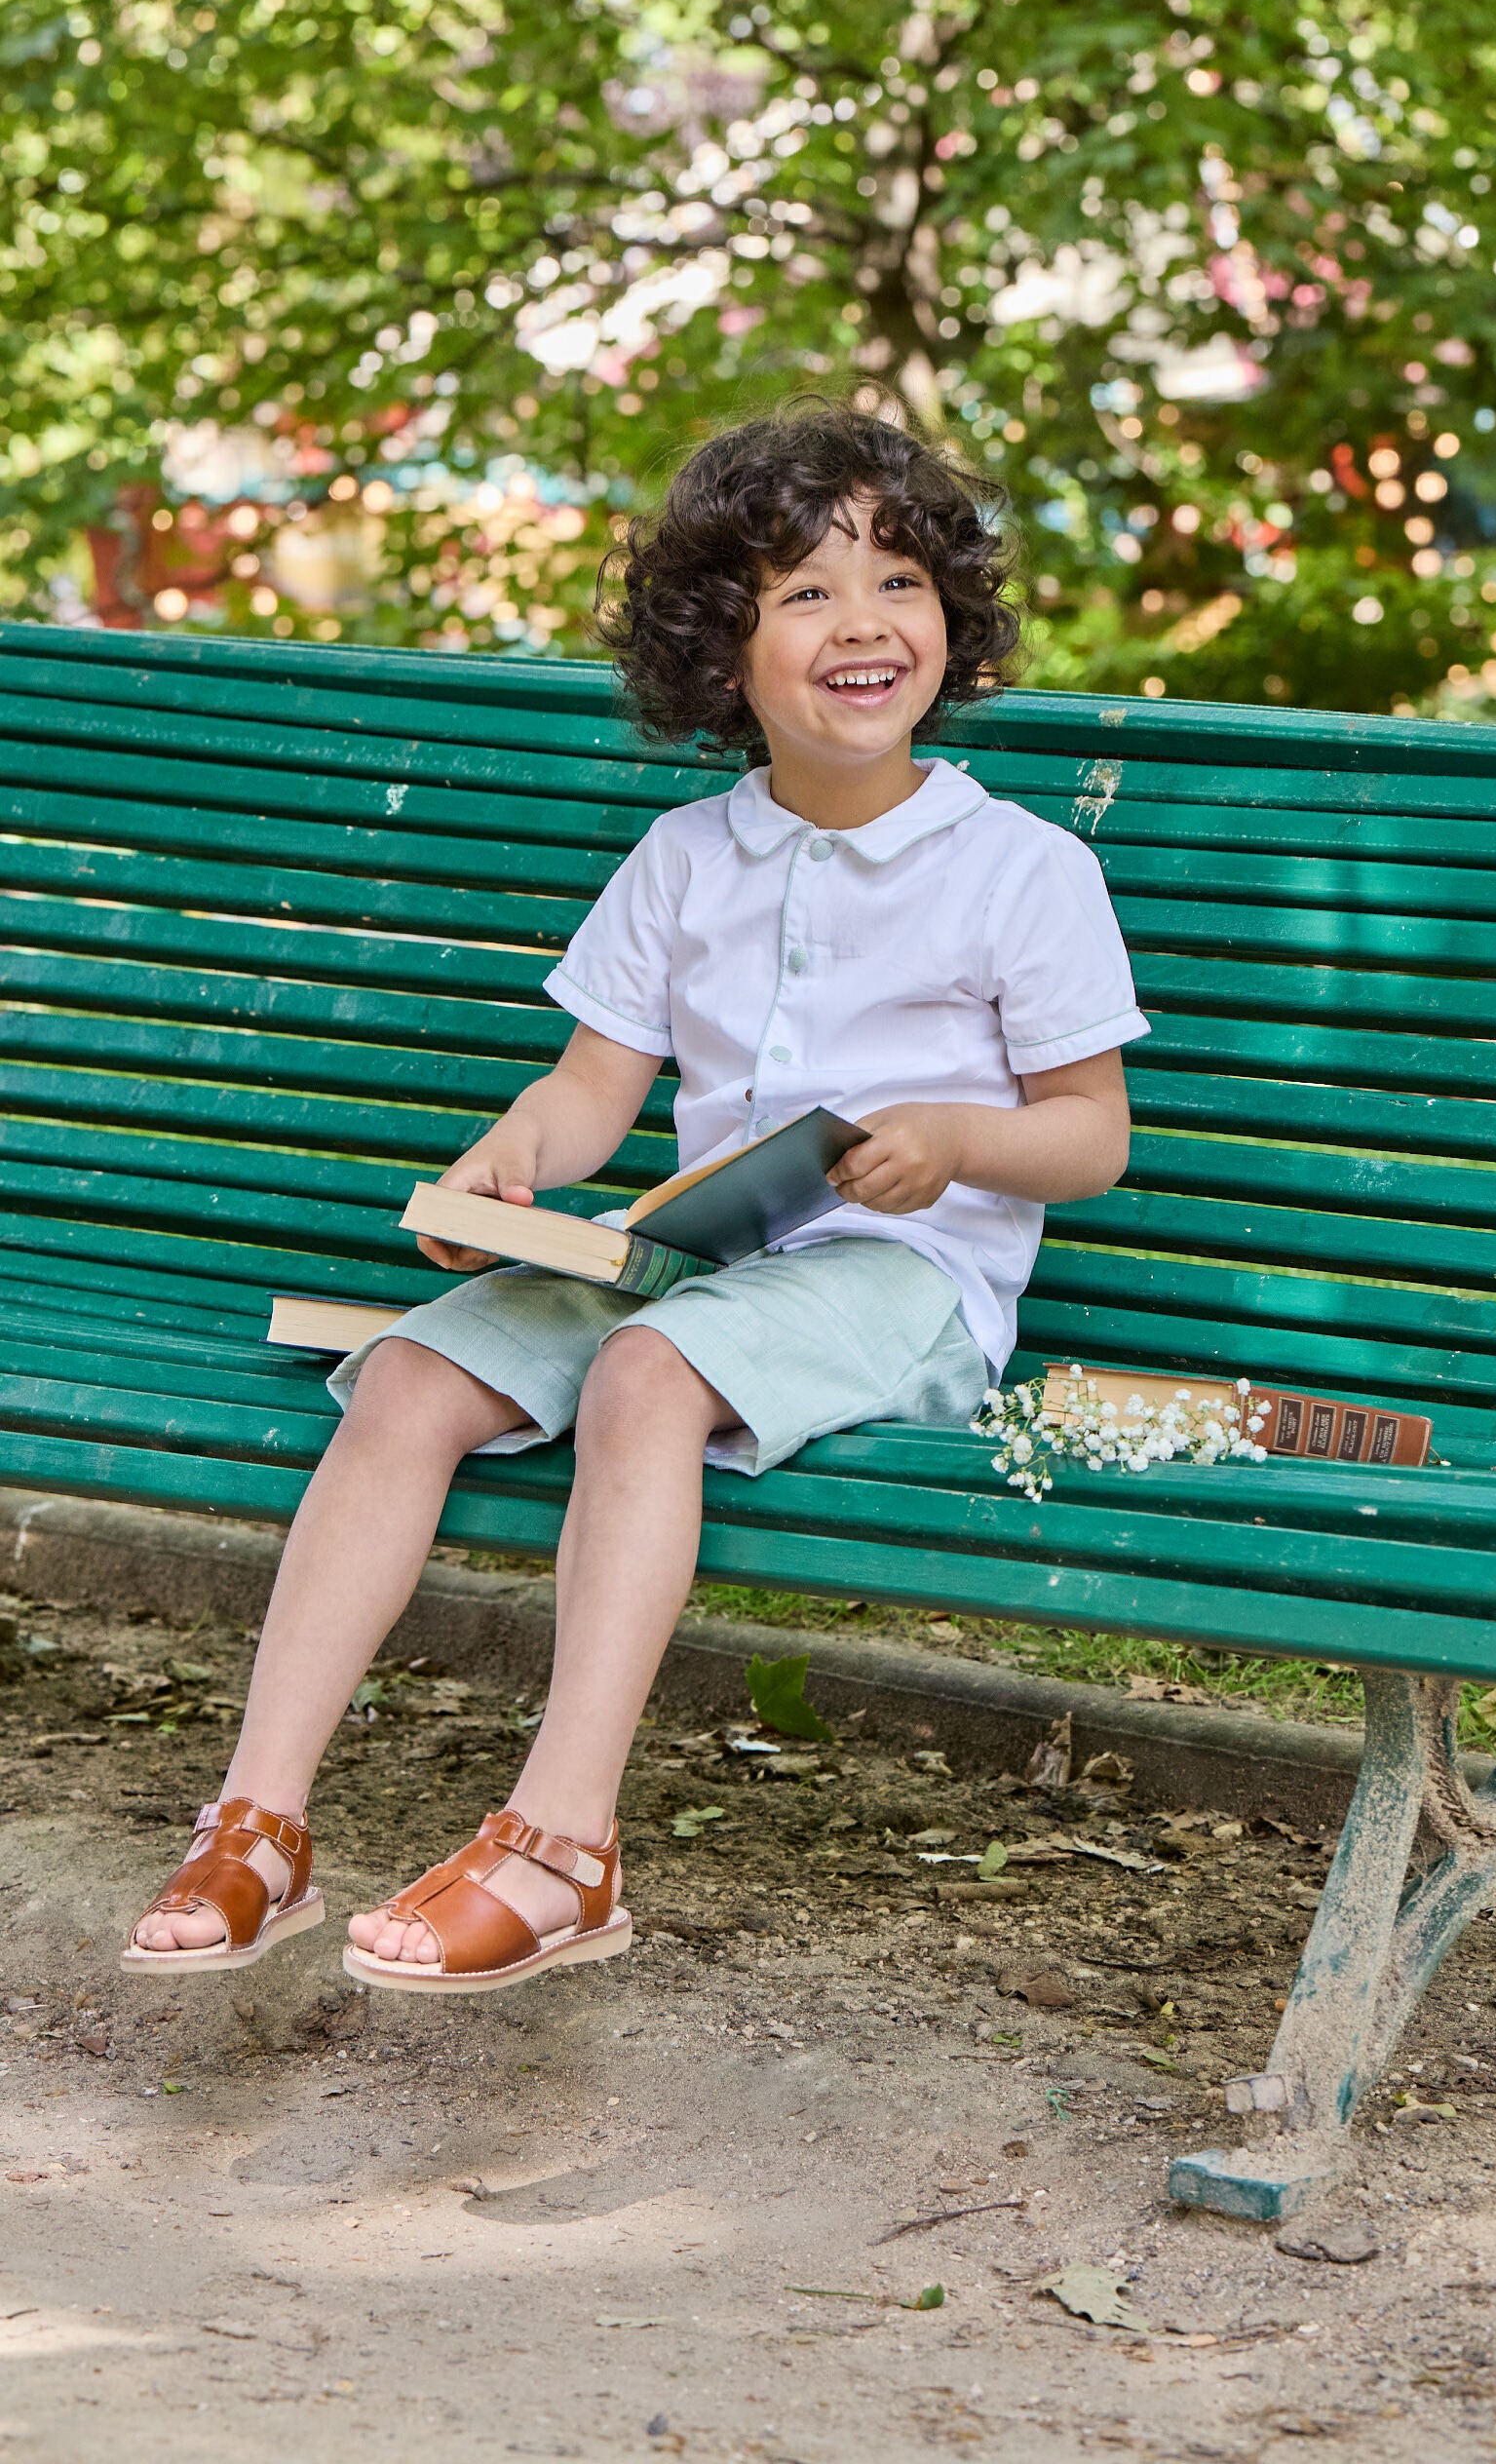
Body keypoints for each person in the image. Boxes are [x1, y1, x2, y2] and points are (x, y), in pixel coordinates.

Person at [122, 400, 1148, 1994]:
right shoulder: (685, 857)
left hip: (902, 1277)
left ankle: (562, 1845)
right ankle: (259, 1818)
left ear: (952, 616)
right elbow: (590, 1094)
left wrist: (956, 1135)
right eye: (803, 593)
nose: (861, 624)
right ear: (717, 650)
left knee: (641, 1372)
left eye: (897, 583)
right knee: (408, 1371)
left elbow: (1090, 1137)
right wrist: (506, 1169)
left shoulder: (1019, 870)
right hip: (690, 1254)